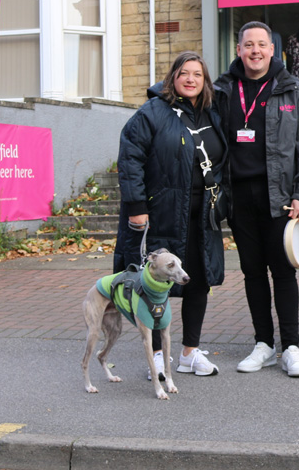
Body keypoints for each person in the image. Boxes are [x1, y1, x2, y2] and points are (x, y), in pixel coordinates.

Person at [215, 21, 299, 378]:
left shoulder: (292, 88)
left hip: (281, 198)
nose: (255, 50)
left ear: (273, 49)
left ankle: (291, 347)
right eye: (248, 45)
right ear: (239, 50)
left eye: (262, 44)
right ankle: (264, 344)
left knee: (284, 271)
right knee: (252, 272)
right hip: (238, 197)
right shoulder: (223, 90)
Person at [116, 51, 227, 378]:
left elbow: (223, 162)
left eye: (198, 74)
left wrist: (223, 204)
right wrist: (137, 206)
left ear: (205, 81)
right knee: (152, 288)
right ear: (173, 77)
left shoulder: (212, 113)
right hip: (160, 215)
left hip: (201, 219)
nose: (191, 79)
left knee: (199, 282)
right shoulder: (151, 113)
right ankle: (157, 358)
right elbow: (130, 158)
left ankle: (190, 353)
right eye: (184, 73)